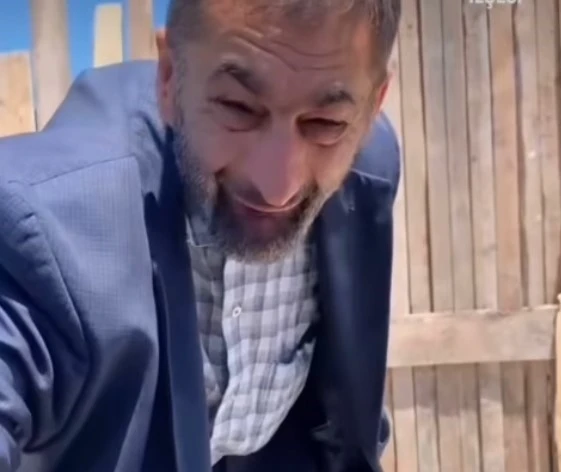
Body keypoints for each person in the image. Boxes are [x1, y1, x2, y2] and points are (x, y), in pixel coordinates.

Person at [0, 0, 402, 470]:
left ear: (372, 109)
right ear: (170, 79)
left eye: (325, 124)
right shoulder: (49, 223)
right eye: (238, 108)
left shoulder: (370, 167)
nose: (278, 188)